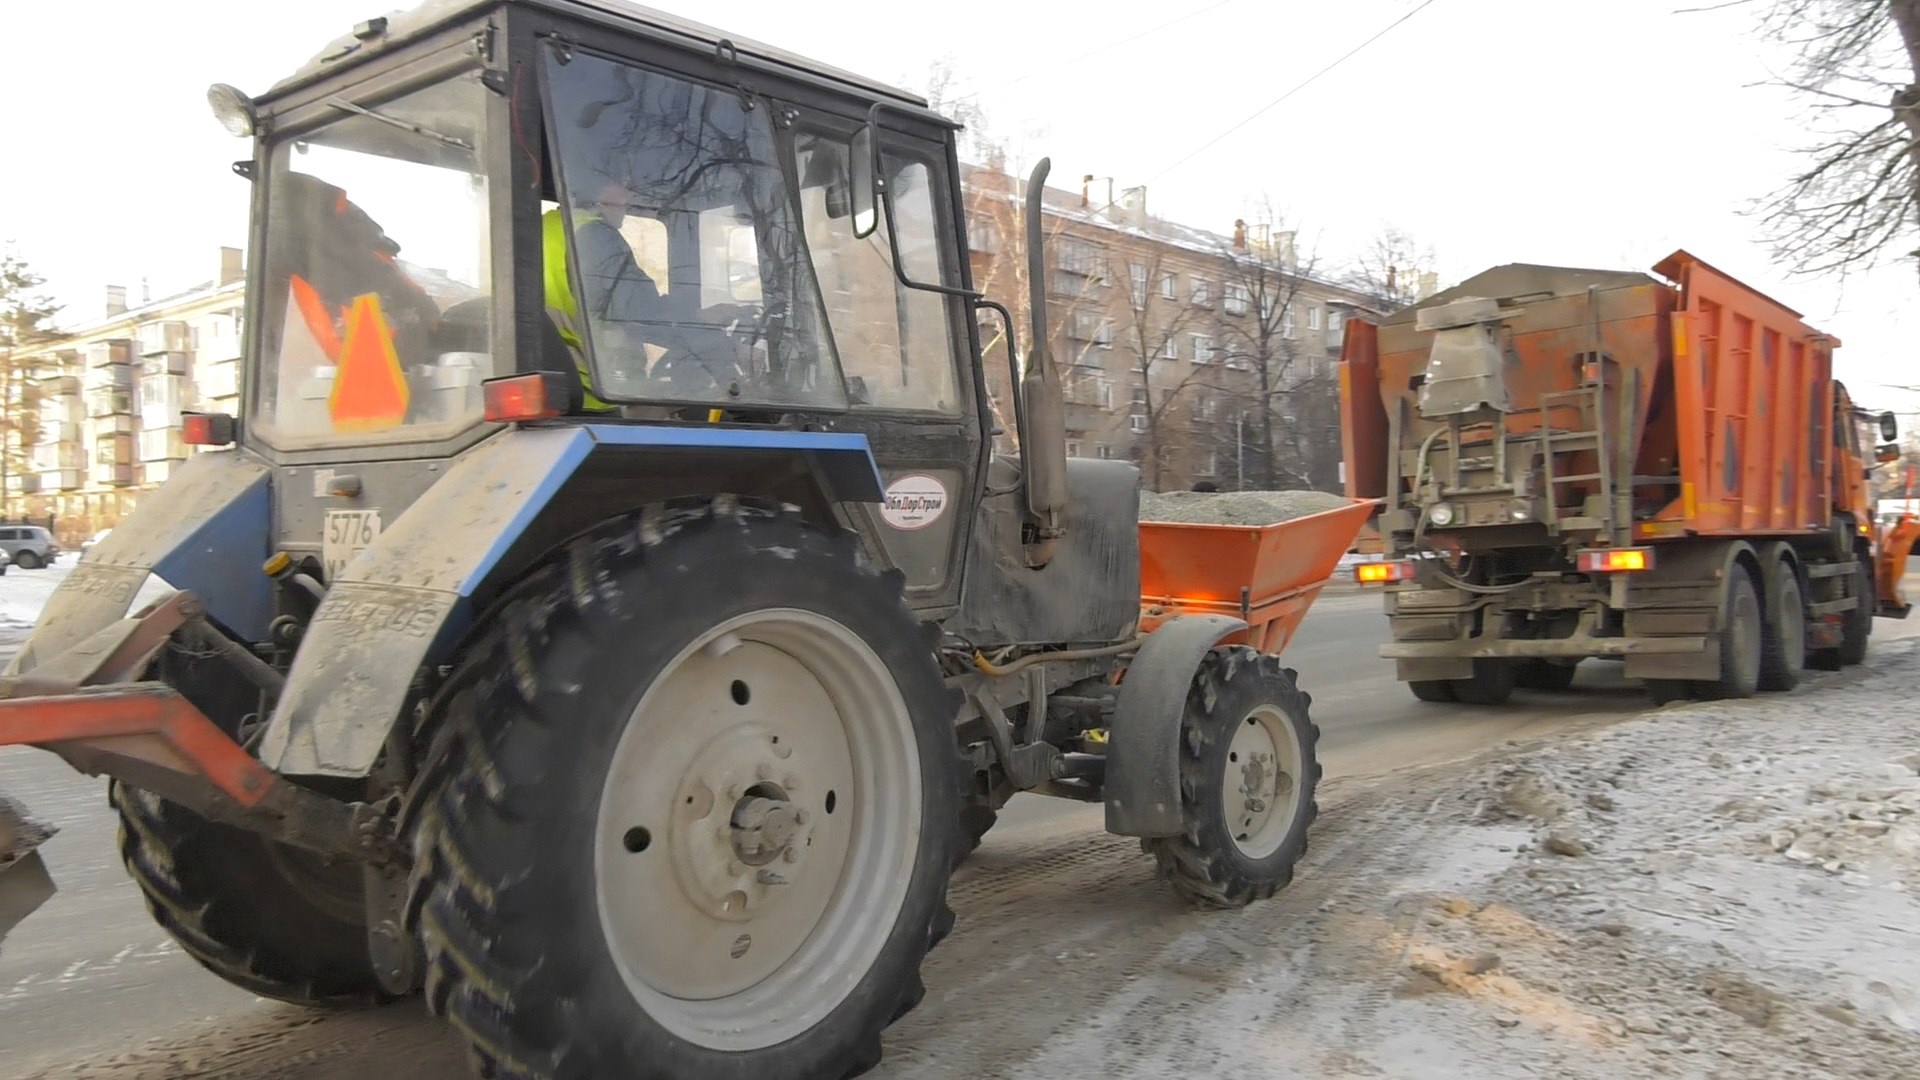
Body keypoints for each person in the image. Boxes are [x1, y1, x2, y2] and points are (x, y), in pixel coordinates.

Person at [542, 181, 670, 412]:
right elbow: (644, 311)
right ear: (599, 191)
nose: (628, 200)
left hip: (556, 388)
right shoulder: (594, 236)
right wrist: (700, 321)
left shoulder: (543, 229)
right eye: (623, 187)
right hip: (600, 392)